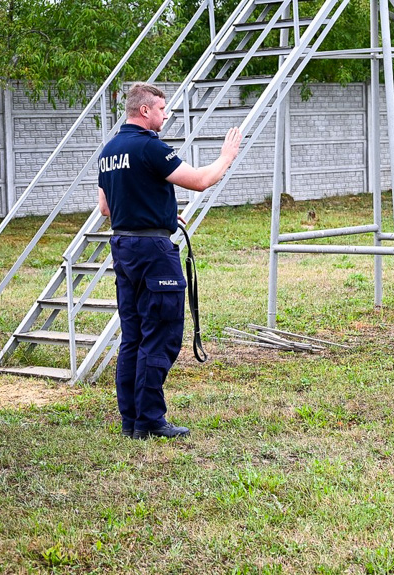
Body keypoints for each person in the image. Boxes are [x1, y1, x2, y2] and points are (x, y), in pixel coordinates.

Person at [98, 82, 242, 439]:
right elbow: (201, 181)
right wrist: (227, 156)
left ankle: (131, 420)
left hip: (125, 247)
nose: (166, 115)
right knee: (160, 334)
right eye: (162, 109)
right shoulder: (150, 147)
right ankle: (150, 421)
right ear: (144, 110)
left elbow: (106, 207)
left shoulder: (110, 149)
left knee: (133, 336)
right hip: (153, 255)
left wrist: (158, 212)